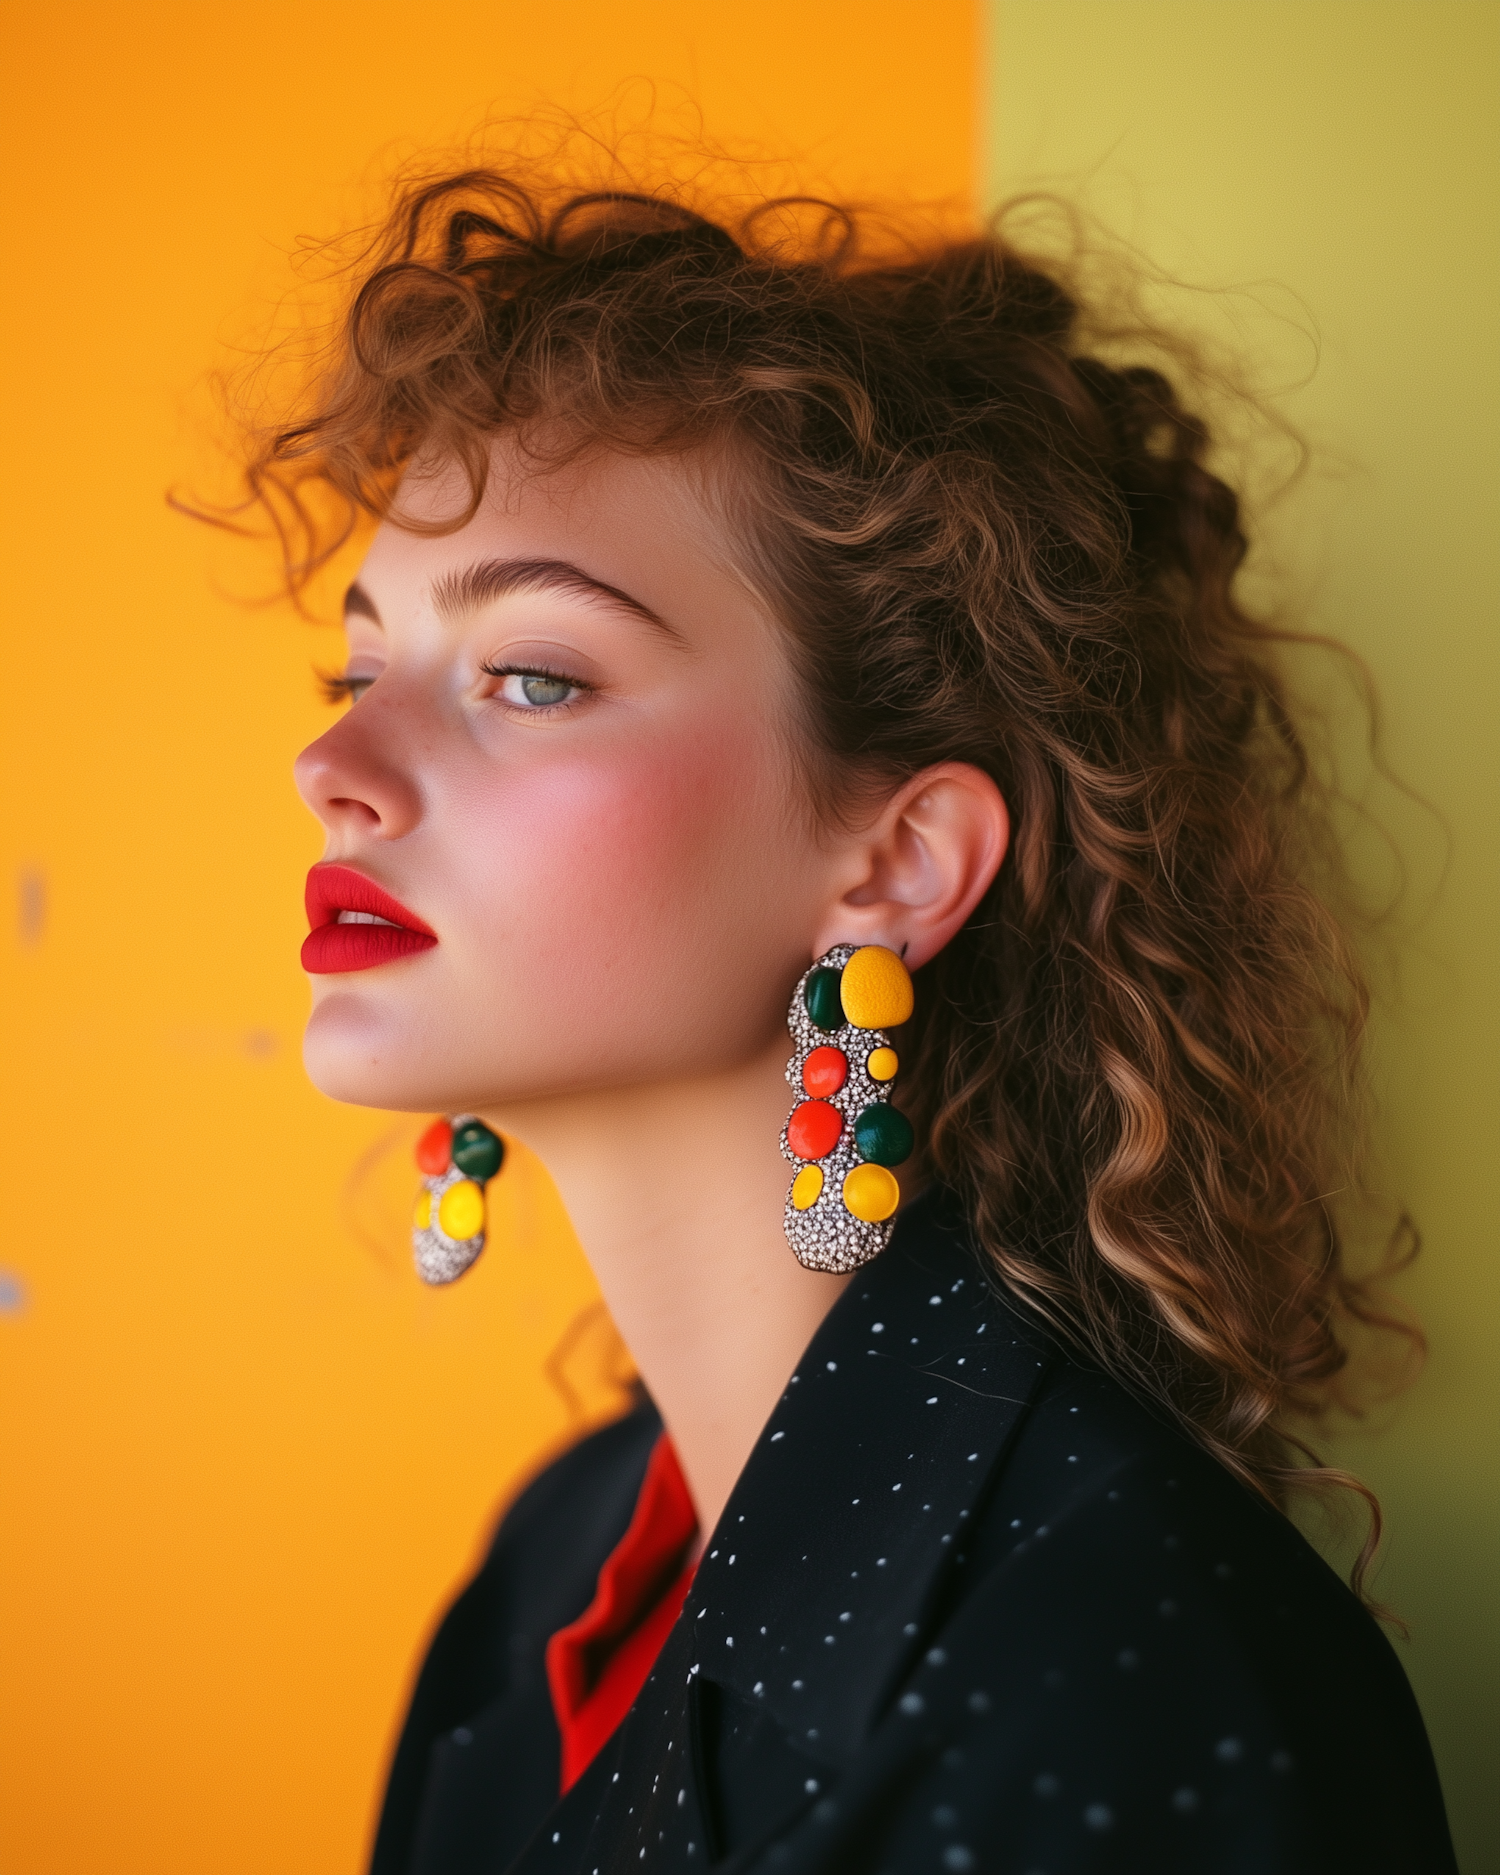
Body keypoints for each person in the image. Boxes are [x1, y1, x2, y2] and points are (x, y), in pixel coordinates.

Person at [234, 162, 1457, 1871]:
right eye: (361, 673)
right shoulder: (561, 1560)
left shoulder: (1144, 1670)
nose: (333, 771)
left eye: (533, 672)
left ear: (895, 858)